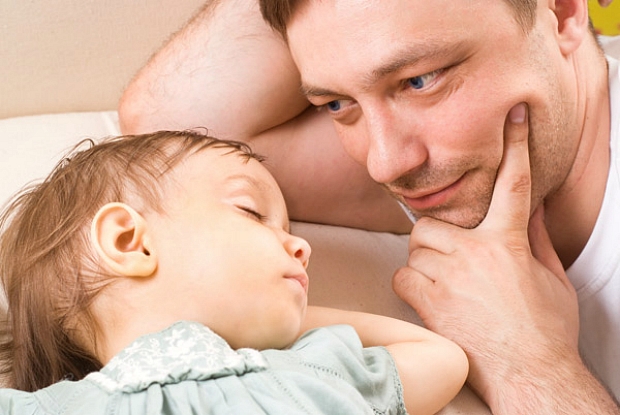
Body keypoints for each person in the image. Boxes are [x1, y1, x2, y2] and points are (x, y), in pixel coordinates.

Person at [117, 0, 620, 413]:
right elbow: (171, 125)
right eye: (338, 105)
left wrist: (532, 363)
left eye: (421, 80)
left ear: (563, 12)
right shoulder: (436, 167)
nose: (383, 165)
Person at [0, 130, 468, 414]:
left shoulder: (311, 369)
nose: (302, 247)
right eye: (251, 212)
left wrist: (279, 320)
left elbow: (442, 359)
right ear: (130, 242)